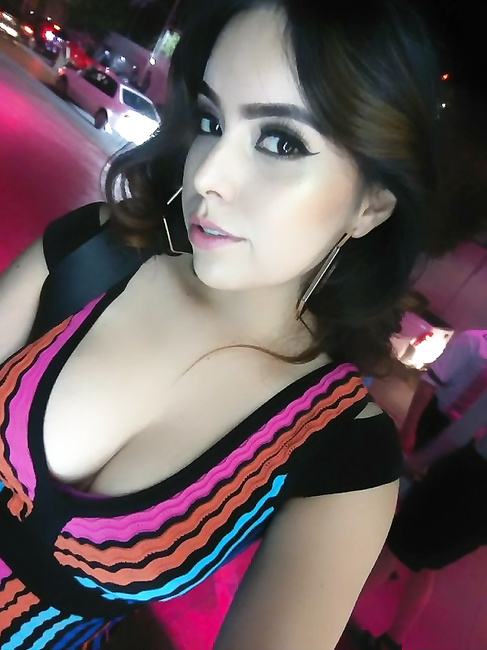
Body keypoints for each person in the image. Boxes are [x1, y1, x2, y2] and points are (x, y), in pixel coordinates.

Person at [0, 0, 441, 648]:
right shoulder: (91, 252)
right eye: (210, 121)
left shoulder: (343, 453)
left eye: (280, 142)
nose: (207, 175)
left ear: (370, 205)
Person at [361, 389, 487, 650]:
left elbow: (465, 429)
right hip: (478, 512)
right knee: (427, 564)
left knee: (395, 546)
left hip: (468, 479)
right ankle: (391, 642)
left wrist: (418, 461)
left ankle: (328, 616)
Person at [399, 329, 487, 453]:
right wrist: (409, 429)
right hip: (439, 422)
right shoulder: (473, 341)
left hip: (474, 438)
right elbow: (429, 382)